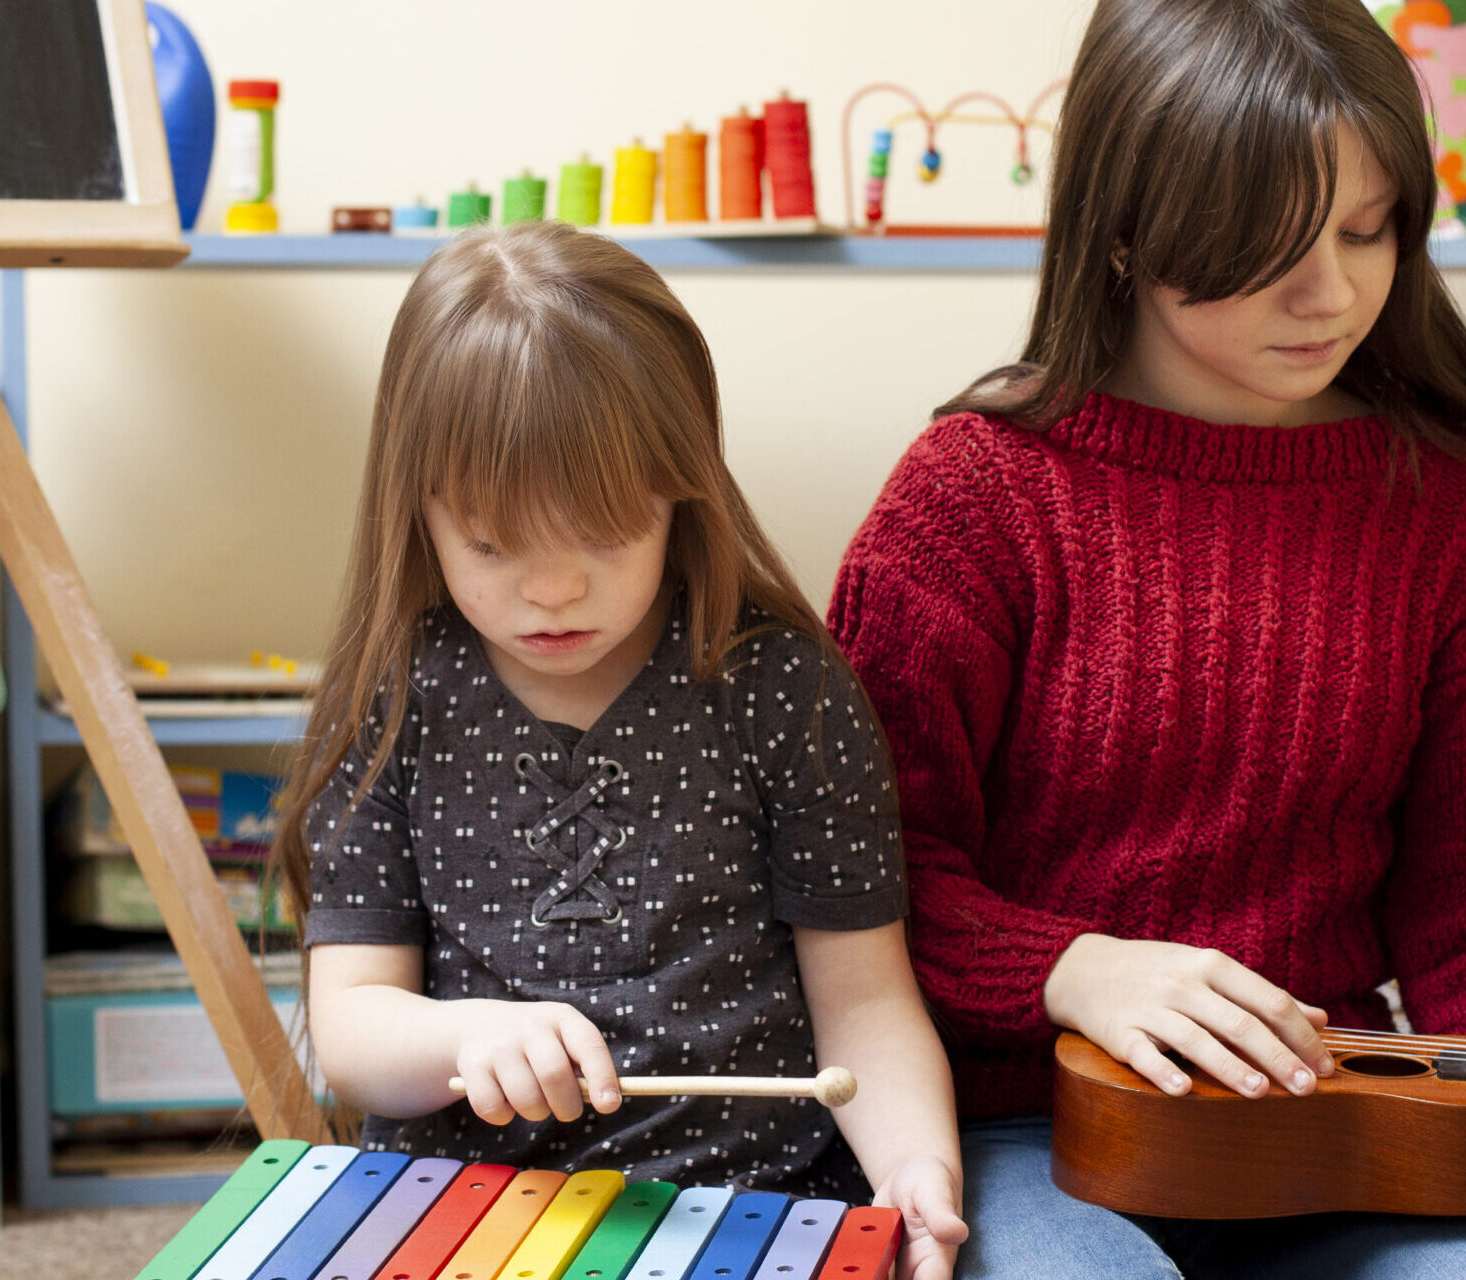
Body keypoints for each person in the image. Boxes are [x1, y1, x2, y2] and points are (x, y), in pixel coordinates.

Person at [826, 4, 1466, 1276]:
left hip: (1334, 1132)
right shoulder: (969, 498)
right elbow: (858, 891)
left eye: (1369, 231)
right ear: (1130, 229)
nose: (1335, 292)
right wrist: (1076, 967)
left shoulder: (1457, 512)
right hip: (1028, 1128)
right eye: (1270, 249)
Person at [273, 223, 967, 1279]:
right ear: (417, 509)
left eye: (602, 534)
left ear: (678, 492)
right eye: (494, 541)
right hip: (468, 1211)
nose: (553, 590)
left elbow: (865, 1001)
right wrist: (463, 1042)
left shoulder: (781, 684)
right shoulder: (394, 695)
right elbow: (353, 1025)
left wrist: (917, 1170)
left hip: (750, 1198)